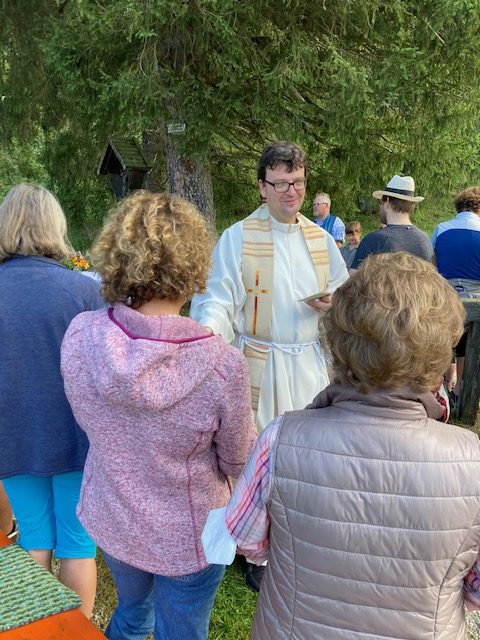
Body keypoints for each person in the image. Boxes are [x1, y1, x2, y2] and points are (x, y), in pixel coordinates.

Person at [225, 252, 480, 639]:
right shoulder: (472, 461)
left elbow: (246, 540)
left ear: (338, 345)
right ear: (438, 360)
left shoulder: (280, 439)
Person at [61, 191, 257, 640]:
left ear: (117, 255)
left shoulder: (82, 336)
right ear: (193, 264)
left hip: (115, 517)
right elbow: (238, 460)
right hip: (188, 535)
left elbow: (86, 413)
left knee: (132, 616)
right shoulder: (222, 366)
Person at [190, 142, 349, 589]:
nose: (291, 191)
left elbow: (346, 294)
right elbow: (217, 298)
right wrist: (207, 339)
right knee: (258, 455)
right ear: (262, 187)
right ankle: (257, 551)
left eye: (297, 182)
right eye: (280, 183)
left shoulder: (320, 240)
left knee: (307, 455)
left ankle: (301, 539)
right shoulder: (238, 237)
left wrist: (336, 304)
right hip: (258, 361)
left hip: (309, 362)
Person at [0, 184, 104, 617]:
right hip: (75, 438)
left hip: (12, 437)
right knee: (77, 546)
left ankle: (36, 630)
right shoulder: (84, 292)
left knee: (33, 540)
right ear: (54, 226)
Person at [432, 186, 480, 404]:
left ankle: (443, 387)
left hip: (447, 298)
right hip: (476, 299)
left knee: (446, 341)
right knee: (470, 343)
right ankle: (460, 388)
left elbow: (433, 266)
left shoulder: (441, 229)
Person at [351, 175, 432, 270]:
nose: (380, 207)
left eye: (381, 203)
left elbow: (354, 276)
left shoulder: (374, 241)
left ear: (387, 203)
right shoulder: (424, 240)